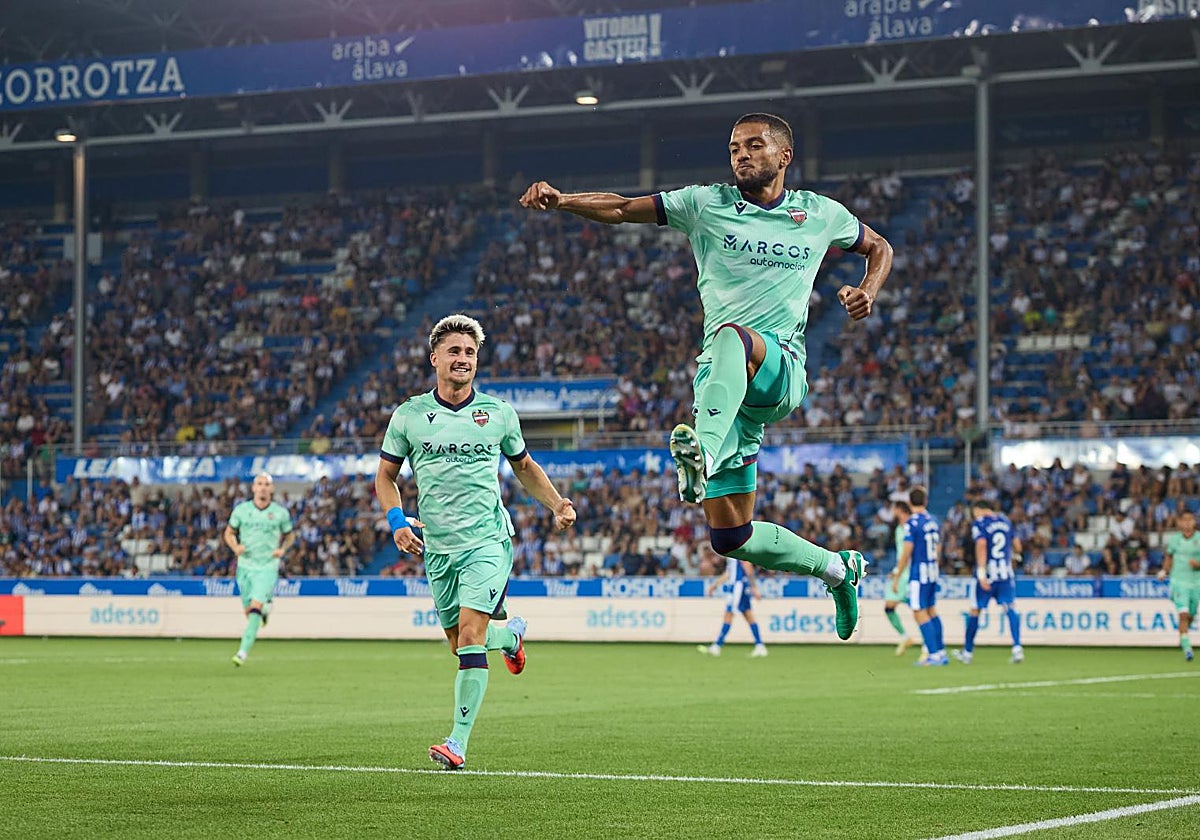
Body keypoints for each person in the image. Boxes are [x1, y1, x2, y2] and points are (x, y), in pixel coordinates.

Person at [519, 112, 893, 641]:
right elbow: (625, 207)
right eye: (734, 147)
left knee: (732, 337)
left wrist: (868, 291)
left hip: (779, 369)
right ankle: (838, 570)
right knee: (731, 537)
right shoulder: (706, 203)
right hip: (724, 389)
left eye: (755, 146)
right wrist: (564, 201)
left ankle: (703, 454)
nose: (741, 154)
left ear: (783, 157)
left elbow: (880, 247)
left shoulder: (820, 214)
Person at [374, 314, 576, 770]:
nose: (463, 359)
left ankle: (457, 743)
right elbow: (385, 477)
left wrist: (557, 503)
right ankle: (511, 636)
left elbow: (524, 467)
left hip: (488, 541)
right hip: (438, 548)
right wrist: (396, 521)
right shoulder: (409, 416)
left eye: (469, 352)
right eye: (454, 351)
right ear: (435, 359)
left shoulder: (498, 414)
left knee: (468, 635)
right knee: (459, 642)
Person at [223, 472, 294, 666]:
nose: (262, 487)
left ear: (271, 489)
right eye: (259, 484)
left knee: (254, 609)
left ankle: (242, 653)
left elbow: (290, 536)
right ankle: (265, 609)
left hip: (267, 566)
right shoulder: (241, 510)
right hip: (245, 566)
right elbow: (228, 534)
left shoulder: (280, 513)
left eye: (266, 484)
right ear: (253, 488)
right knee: (249, 611)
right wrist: (235, 547)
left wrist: (283, 549)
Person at [954, 501, 1024, 665]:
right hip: (1005, 573)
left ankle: (968, 652)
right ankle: (1017, 648)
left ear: (979, 510)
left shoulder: (980, 523)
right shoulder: (1006, 521)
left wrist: (981, 572)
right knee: (1010, 607)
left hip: (988, 573)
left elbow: (981, 545)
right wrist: (1015, 556)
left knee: (975, 610)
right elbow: (1018, 546)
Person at [891, 486, 947, 666]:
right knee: (931, 610)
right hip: (931, 570)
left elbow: (907, 551)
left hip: (919, 572)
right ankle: (941, 651)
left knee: (919, 612)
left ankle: (933, 655)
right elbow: (938, 547)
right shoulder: (932, 520)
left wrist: (898, 575)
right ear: (925, 500)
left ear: (910, 502)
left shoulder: (913, 523)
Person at [698, 556, 768, 657]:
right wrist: (715, 585)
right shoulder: (731, 555)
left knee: (729, 614)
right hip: (738, 586)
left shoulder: (738, 550)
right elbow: (729, 573)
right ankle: (760, 645)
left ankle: (717, 646)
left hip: (738, 587)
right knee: (748, 615)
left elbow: (748, 566)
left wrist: (754, 588)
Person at [1159, 509, 1200, 662]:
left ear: (1194, 522)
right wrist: (1164, 570)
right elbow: (1169, 556)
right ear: (1180, 522)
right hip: (1179, 582)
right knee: (1183, 614)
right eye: (1185, 520)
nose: (1188, 523)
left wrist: (1198, 564)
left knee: (1190, 615)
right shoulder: (1174, 540)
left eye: (1190, 520)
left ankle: (1183, 636)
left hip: (1196, 583)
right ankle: (1187, 648)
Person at [883, 499, 920, 656]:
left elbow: (909, 552)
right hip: (902, 572)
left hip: (910, 574)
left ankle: (929, 647)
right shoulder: (899, 528)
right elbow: (902, 553)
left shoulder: (911, 526)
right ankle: (905, 637)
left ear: (899, 509)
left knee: (919, 610)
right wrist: (896, 570)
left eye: (894, 508)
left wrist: (899, 572)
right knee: (889, 607)